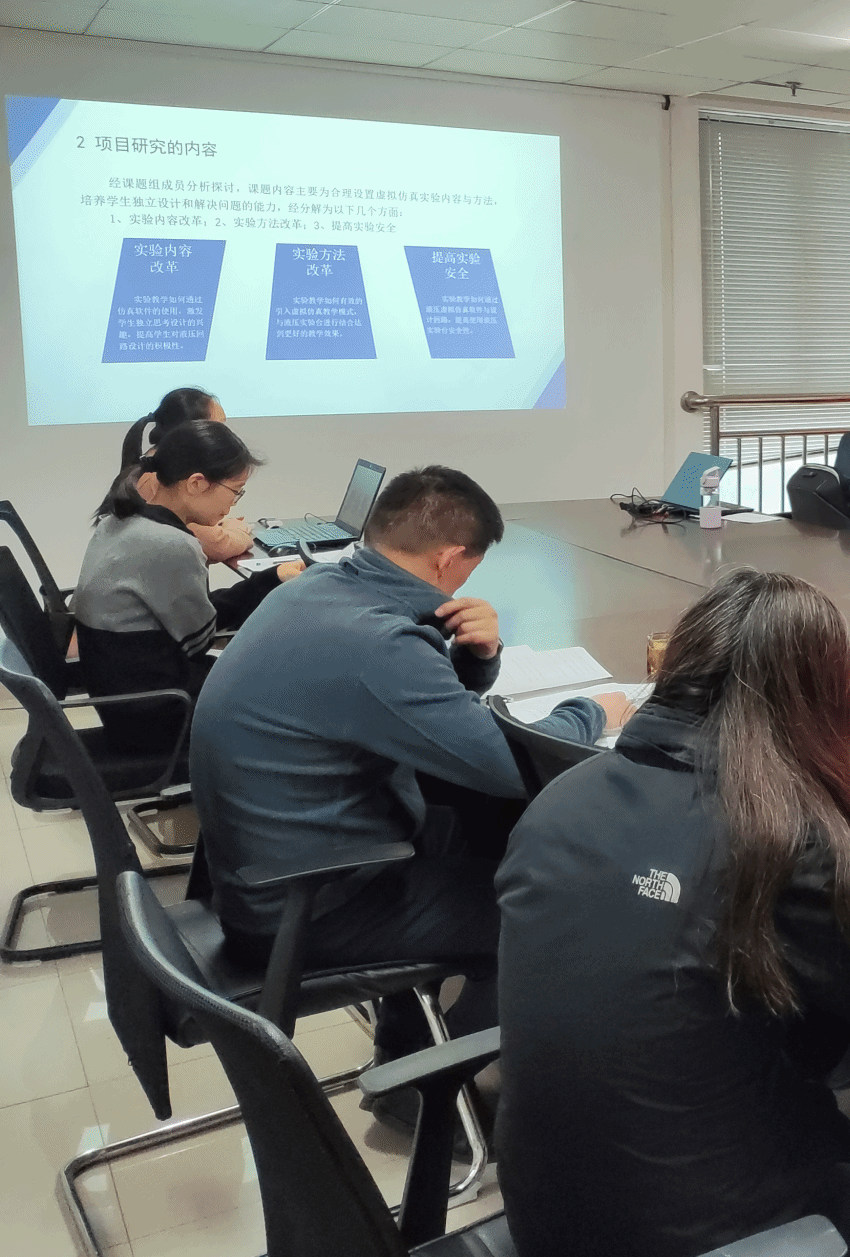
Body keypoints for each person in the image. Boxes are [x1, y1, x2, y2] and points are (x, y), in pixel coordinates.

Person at [496, 568, 850, 1257]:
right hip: (697, 1249)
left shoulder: (560, 800)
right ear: (815, 699)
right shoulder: (772, 840)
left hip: (549, 1229)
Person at [190, 465, 628, 1066]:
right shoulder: (378, 642)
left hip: (271, 870)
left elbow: (421, 718)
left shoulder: (318, 588)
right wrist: (592, 711)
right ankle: (440, 1081)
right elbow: (515, 765)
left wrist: (478, 658)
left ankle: (407, 1044)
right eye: (472, 566)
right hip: (305, 907)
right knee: (552, 904)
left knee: (481, 829)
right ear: (449, 558)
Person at [73, 421, 301, 755]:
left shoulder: (118, 522)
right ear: (196, 483)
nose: (233, 505)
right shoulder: (171, 543)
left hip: (127, 699)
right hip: (160, 716)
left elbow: (191, 617)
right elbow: (199, 639)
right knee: (294, 682)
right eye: (236, 491)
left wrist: (269, 579)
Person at [114, 388, 254, 563]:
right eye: (217, 428)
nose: (225, 436)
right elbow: (211, 543)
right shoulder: (156, 479)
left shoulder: (154, 466)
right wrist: (238, 531)